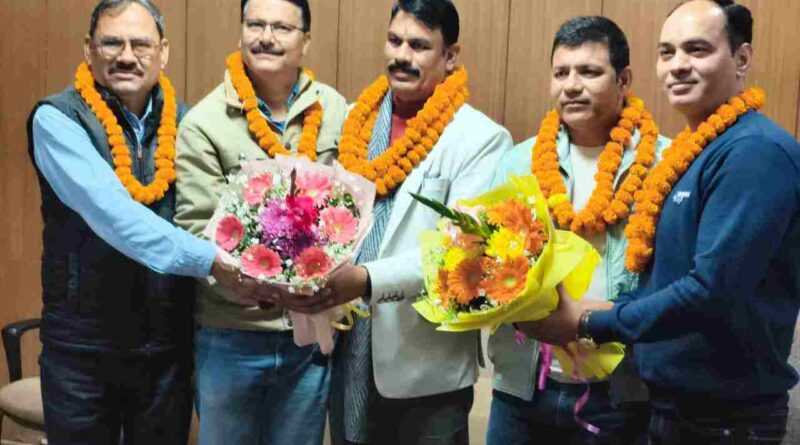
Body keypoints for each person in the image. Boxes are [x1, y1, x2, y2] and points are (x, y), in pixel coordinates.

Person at [519, 1, 800, 443]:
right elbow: (666, 279)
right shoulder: (694, 152)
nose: (678, 65)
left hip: (724, 419)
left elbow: (709, 292)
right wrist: (589, 310)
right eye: (667, 52)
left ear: (742, 58)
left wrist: (587, 322)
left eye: (697, 49)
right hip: (676, 407)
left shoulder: (754, 154)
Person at [27, 0, 262, 443]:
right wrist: (212, 261)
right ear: (88, 49)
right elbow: (113, 214)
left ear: (163, 52)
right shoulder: (57, 119)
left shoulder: (190, 125)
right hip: (82, 350)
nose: (126, 56)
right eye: (111, 43)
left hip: (165, 349)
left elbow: (218, 214)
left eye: (140, 44)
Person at [303, 1, 513, 444]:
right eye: (394, 41)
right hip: (348, 348)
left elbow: (459, 257)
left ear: (449, 56)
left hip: (426, 367)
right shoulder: (355, 119)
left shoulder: (480, 139)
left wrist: (365, 279)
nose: (401, 56)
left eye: (419, 46)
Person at [487, 16, 671, 445]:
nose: (571, 85)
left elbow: (675, 283)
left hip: (621, 394)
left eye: (588, 71)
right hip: (523, 387)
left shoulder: (663, 165)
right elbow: (490, 262)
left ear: (623, 80)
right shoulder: (518, 161)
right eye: (561, 73)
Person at [173, 0, 348, 443]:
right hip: (232, 335)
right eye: (255, 24)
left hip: (309, 337)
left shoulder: (336, 112)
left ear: (306, 40)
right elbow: (196, 227)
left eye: (282, 28)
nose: (266, 37)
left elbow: (350, 209)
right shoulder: (204, 123)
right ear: (240, 32)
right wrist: (261, 285)